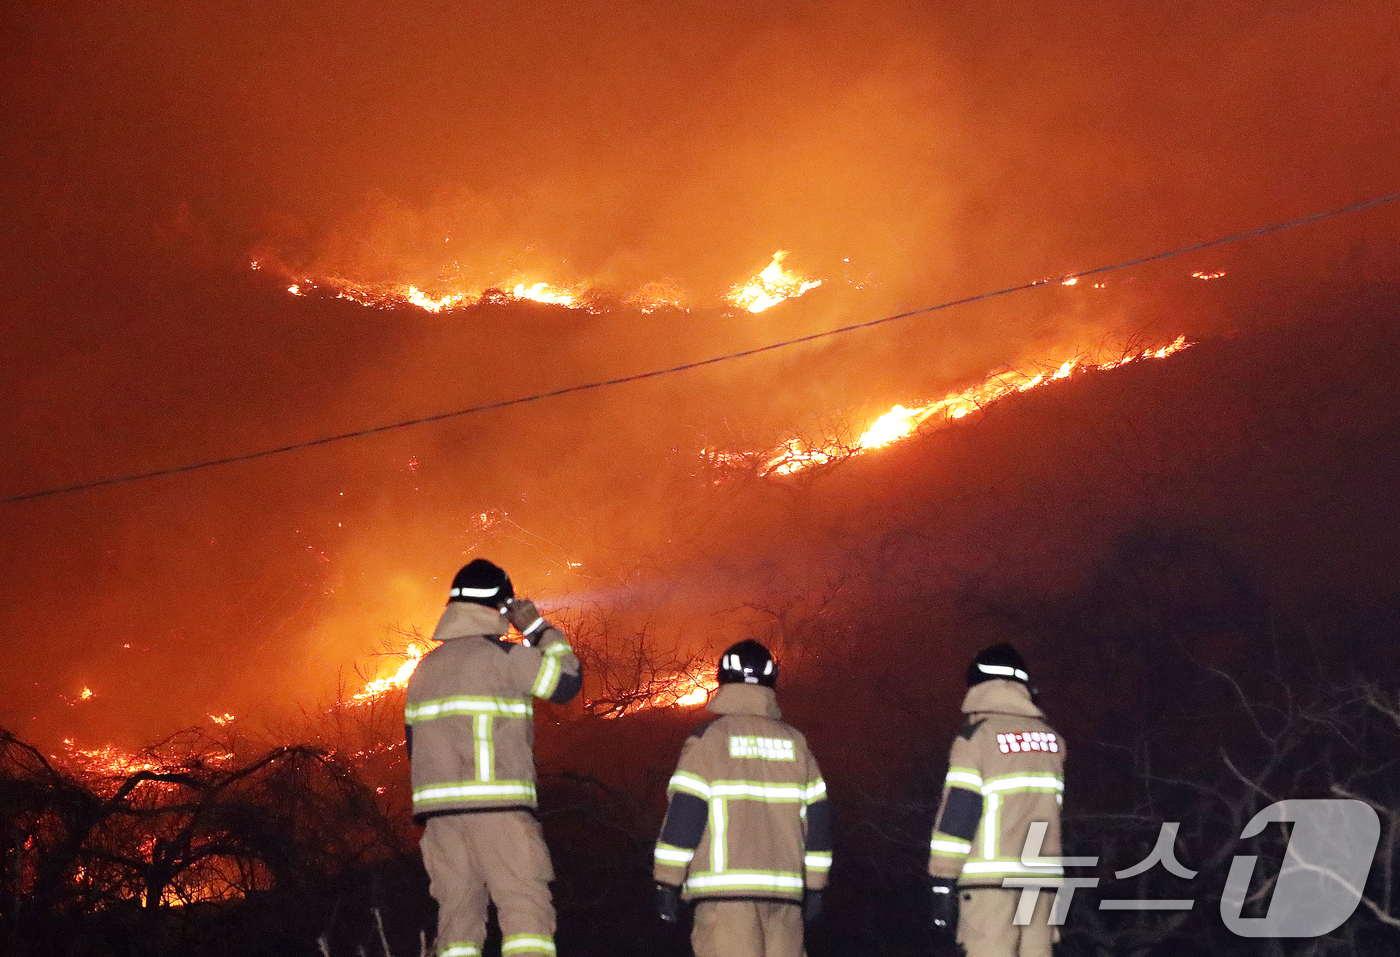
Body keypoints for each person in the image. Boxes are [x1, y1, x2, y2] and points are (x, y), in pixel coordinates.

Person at [405, 559, 582, 957]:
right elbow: (567, 683)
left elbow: (413, 746)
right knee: (525, 912)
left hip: (440, 819)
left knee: (457, 921)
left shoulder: (423, 670)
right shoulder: (506, 658)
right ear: (501, 608)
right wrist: (536, 628)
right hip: (499, 809)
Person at [653, 639, 832, 957]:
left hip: (724, 900)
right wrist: (816, 886)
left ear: (723, 680)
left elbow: (685, 814)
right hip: (785, 901)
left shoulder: (710, 739)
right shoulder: (796, 744)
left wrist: (667, 881)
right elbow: (818, 820)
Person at [927, 643, 1066, 956]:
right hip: (1041, 886)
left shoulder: (977, 737)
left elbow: (959, 814)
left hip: (989, 887)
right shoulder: (1052, 740)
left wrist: (941, 880)